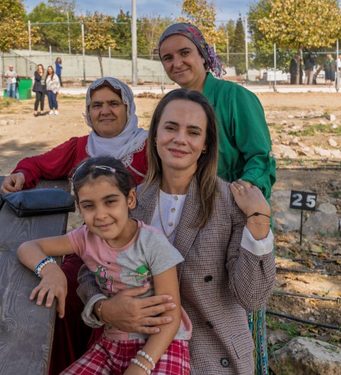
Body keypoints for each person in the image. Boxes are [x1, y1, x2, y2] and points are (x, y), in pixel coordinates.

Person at [77, 89, 275, 374]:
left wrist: (259, 222)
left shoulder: (232, 204)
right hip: (136, 348)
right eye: (171, 127)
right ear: (154, 135)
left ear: (206, 144)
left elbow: (252, 298)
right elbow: (90, 264)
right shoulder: (129, 201)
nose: (180, 139)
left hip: (210, 352)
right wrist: (102, 308)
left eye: (193, 132)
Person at [1, 77, 148, 374]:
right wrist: (20, 174)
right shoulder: (81, 147)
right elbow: (38, 164)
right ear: (88, 111)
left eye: (113, 103)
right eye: (96, 105)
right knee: (57, 295)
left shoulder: (150, 147)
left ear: (128, 108)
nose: (104, 111)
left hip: (141, 251)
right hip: (88, 249)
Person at [157, 23, 276, 374]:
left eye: (184, 53)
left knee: (235, 305)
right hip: (187, 215)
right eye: (167, 58)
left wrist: (236, 200)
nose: (176, 63)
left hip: (230, 216)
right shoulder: (174, 106)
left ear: (204, 55)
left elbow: (260, 157)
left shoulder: (234, 98)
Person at [18, 155, 191, 375]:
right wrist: (52, 271)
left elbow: (172, 316)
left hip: (161, 345)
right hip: (112, 344)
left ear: (130, 199)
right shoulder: (84, 237)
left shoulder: (153, 244)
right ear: (80, 209)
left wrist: (141, 365)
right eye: (89, 206)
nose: (100, 215)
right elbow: (28, 247)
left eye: (110, 201)